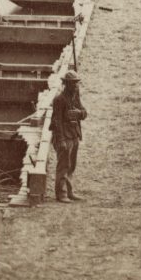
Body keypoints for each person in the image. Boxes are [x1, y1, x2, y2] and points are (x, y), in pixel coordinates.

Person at [50, 69, 87, 203]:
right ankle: (61, 193)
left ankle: (69, 192)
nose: (76, 85)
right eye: (73, 83)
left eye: (77, 83)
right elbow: (57, 122)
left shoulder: (75, 96)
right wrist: (61, 140)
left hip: (74, 135)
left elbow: (84, 112)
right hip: (64, 137)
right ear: (66, 84)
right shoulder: (59, 99)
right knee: (63, 165)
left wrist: (79, 113)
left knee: (71, 165)